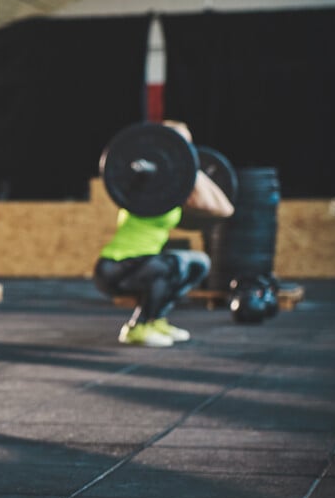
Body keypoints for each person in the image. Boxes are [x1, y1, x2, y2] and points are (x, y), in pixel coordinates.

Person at [93, 120, 235, 347]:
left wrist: (190, 168)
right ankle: (137, 328)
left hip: (145, 265)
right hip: (116, 267)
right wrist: (183, 167)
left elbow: (224, 209)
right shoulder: (141, 183)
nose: (186, 150)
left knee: (199, 263)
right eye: (180, 144)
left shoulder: (173, 191)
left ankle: (156, 319)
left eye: (188, 146)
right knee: (170, 265)